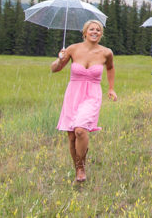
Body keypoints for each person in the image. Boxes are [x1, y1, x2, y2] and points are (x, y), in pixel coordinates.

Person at [50, 19, 118, 183]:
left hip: (92, 94)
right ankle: (78, 170)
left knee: (80, 130)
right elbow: (54, 69)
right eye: (92, 29)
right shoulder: (72, 49)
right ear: (85, 32)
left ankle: (81, 166)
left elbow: (110, 68)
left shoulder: (106, 52)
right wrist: (60, 59)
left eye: (98, 30)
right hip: (73, 94)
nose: (95, 32)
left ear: (101, 34)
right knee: (72, 136)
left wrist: (110, 88)